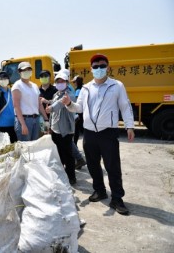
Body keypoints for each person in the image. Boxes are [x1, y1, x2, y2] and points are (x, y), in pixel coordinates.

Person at [62, 53, 135, 215]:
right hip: (89, 133)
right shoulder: (87, 88)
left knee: (112, 166)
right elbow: (79, 107)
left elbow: (125, 106)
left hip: (108, 133)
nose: (99, 69)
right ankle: (99, 190)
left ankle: (117, 198)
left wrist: (130, 126)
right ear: (91, 69)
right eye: (95, 67)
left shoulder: (116, 86)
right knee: (93, 165)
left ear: (108, 67)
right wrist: (69, 104)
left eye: (102, 66)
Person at [45, 71, 77, 185]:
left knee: (68, 154)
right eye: (58, 81)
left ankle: (71, 177)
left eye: (62, 81)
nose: (60, 83)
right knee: (58, 154)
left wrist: (51, 107)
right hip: (55, 129)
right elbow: (53, 109)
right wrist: (50, 126)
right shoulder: (56, 94)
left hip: (66, 130)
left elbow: (61, 103)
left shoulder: (69, 93)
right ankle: (61, 174)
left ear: (67, 82)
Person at [12, 62, 48, 141]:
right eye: (24, 70)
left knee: (34, 147)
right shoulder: (17, 85)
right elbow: (16, 106)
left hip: (36, 119)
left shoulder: (34, 86)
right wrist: (23, 125)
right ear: (19, 72)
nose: (26, 71)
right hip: (24, 120)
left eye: (28, 69)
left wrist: (46, 119)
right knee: (26, 148)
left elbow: (39, 104)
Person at [0, 71, 17, 143]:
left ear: (8, 79)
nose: (3, 80)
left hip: (13, 125)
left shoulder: (12, 92)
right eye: (1, 79)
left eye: (5, 78)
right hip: (2, 126)